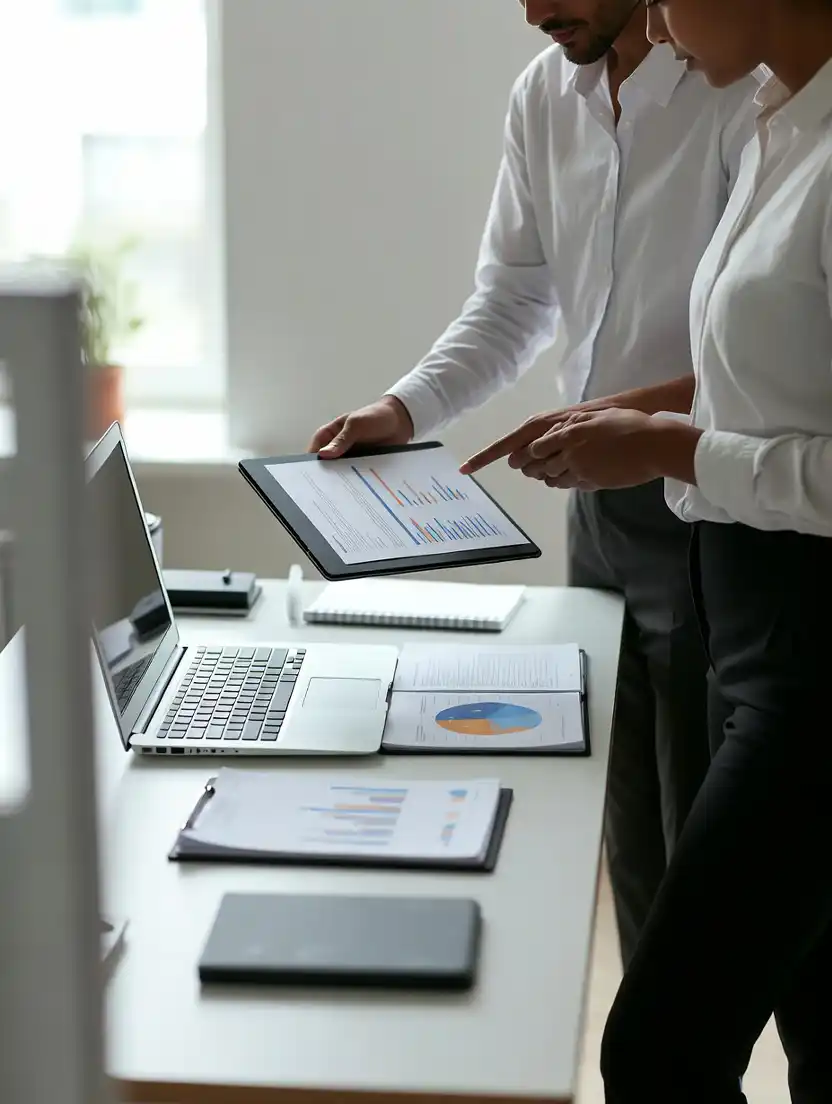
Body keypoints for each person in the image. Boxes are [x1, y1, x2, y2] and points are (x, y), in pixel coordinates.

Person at [308, 0, 755, 968]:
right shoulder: (543, 96)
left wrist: (621, 426)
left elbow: (760, 361)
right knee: (628, 844)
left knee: (703, 877)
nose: (532, 12)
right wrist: (406, 409)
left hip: (710, 510)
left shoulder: (737, 88)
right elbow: (513, 300)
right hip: (594, 517)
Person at [473, 0, 832, 1098]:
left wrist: (675, 446)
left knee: (657, 1042)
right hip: (753, 627)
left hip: (811, 661)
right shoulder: (781, 121)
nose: (660, 22)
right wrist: (625, 420)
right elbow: (773, 378)